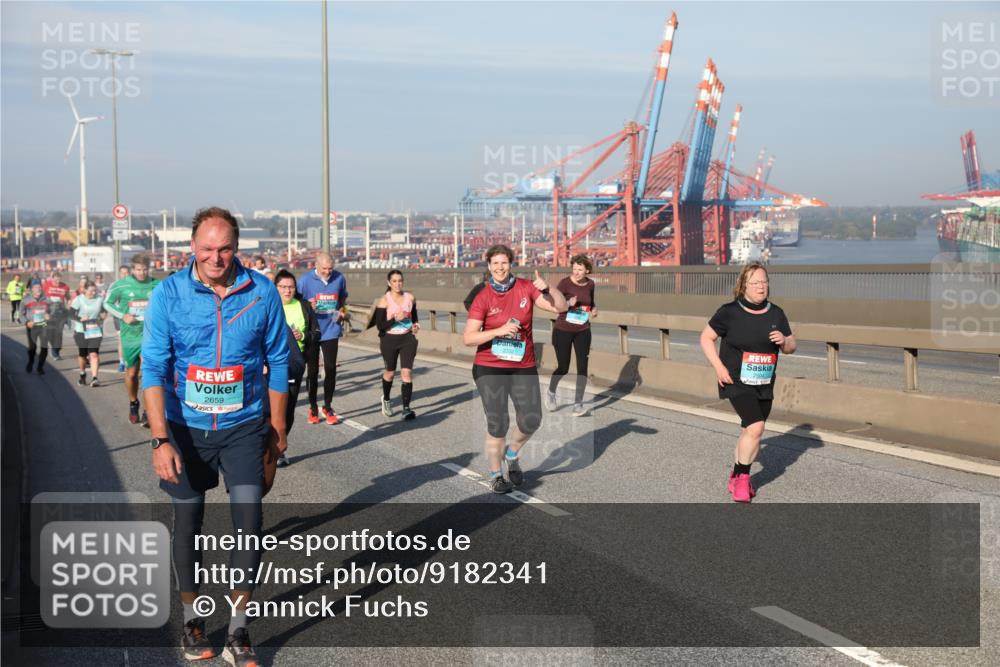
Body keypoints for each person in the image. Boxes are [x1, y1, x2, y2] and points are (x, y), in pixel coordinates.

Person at [142, 206, 288, 665]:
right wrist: (160, 440)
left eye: (224, 248)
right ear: (192, 247)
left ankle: (239, 632)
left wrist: (278, 430)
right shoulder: (169, 294)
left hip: (244, 426)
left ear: (237, 248)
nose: (215, 257)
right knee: (189, 525)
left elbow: (280, 361)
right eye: (207, 248)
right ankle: (191, 620)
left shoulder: (261, 292)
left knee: (251, 525)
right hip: (184, 428)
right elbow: (153, 367)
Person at [463, 245, 567, 493]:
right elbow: (468, 338)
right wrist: (499, 331)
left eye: (504, 263)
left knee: (532, 419)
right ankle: (496, 475)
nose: (500, 267)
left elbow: (561, 307)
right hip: (490, 366)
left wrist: (549, 288)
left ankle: (512, 454)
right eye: (495, 263)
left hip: (523, 364)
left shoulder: (526, 287)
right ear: (489, 266)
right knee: (498, 422)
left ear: (511, 264)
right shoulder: (483, 296)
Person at [699, 262, 796, 503]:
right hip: (735, 378)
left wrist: (784, 340)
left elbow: (792, 347)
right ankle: (742, 479)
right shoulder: (729, 311)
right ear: (744, 285)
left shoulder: (776, 313)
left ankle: (735, 473)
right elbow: (706, 338)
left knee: (749, 431)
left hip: (764, 381)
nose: (761, 287)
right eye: (755, 283)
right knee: (756, 427)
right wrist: (719, 368)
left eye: (764, 282)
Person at [104, 255, 160, 426]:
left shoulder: (157, 284)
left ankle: (148, 411)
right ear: (132, 269)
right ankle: (133, 402)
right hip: (129, 336)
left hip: (150, 335)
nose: (141, 273)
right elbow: (107, 303)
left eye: (144, 269)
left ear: (148, 268)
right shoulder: (121, 284)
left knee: (149, 371)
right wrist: (123, 315)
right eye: (138, 269)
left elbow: (167, 304)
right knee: (132, 373)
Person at [274, 269, 319, 467]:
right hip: (271, 365)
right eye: (283, 287)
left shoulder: (303, 306)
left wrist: (304, 337)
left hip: (294, 363)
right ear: (276, 288)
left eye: (291, 287)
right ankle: (265, 445)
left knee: (288, 408)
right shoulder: (268, 306)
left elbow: (316, 332)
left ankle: (280, 448)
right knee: (269, 409)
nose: (287, 290)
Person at [297, 253, 348, 425]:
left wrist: (342, 312)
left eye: (330, 268)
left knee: (331, 368)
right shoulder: (304, 280)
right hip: (312, 329)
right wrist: (307, 304)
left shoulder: (339, 278)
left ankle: (327, 406)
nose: (327, 272)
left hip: (331, 328)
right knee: (312, 371)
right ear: (316, 266)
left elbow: (342, 297)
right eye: (324, 269)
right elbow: (295, 301)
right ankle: (313, 407)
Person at [546, 254, 598, 417]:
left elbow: (591, 303)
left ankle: (578, 404)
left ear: (587, 270)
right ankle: (551, 392)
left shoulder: (590, 284)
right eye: (574, 269)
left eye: (580, 270)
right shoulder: (565, 283)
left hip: (583, 330)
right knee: (563, 367)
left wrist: (594, 310)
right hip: (563, 330)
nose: (576, 272)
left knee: (583, 368)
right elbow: (554, 304)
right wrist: (568, 303)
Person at [372, 270, 420, 420]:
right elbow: (379, 325)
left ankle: (406, 409)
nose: (397, 284)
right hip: (389, 340)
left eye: (400, 281)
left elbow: (415, 318)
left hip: (407, 339)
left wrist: (415, 326)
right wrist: (394, 319)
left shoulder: (410, 298)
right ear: (389, 283)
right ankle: (386, 399)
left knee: (406, 373)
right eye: (394, 281)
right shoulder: (384, 300)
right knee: (390, 373)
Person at [70, 280, 106, 387]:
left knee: (94, 354)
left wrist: (103, 315)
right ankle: (82, 374)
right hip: (81, 330)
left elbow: (104, 311)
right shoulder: (79, 299)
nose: (93, 293)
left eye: (95, 291)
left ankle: (95, 378)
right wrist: (80, 318)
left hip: (95, 330)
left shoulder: (100, 299)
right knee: (82, 355)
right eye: (91, 291)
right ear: (84, 290)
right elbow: (71, 314)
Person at [20, 281, 51, 375]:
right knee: (32, 347)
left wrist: (49, 315)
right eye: (36, 287)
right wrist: (26, 322)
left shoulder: (47, 299)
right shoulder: (25, 300)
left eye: (40, 287)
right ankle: (31, 361)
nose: (39, 289)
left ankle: (40, 367)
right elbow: (21, 314)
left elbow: (52, 311)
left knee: (44, 347)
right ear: (32, 289)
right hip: (32, 326)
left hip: (44, 325)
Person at [41, 270, 71, 360]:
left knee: (59, 333)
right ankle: (54, 350)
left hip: (60, 313)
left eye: (59, 277)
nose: (57, 279)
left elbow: (68, 298)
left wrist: (69, 304)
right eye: (56, 277)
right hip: (49, 312)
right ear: (52, 277)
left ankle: (56, 350)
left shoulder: (65, 287)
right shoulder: (46, 285)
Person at [112, 265, 131, 371]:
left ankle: (133, 361)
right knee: (121, 340)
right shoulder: (115, 286)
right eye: (122, 273)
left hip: (133, 316)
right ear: (119, 274)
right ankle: (121, 362)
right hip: (120, 316)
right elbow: (111, 302)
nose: (124, 275)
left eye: (126, 272)